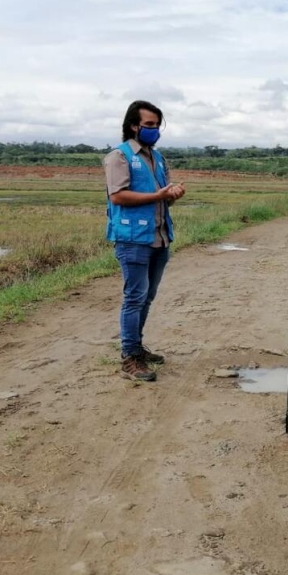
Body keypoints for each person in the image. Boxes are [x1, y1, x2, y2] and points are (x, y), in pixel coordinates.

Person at [104, 99, 186, 382]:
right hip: (132, 240)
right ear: (133, 126)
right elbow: (118, 196)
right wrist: (159, 196)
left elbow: (161, 199)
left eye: (156, 125)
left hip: (159, 237)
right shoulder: (120, 157)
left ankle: (137, 347)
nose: (154, 130)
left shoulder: (157, 157)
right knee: (135, 297)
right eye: (149, 125)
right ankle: (129, 358)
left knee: (146, 297)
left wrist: (172, 195)